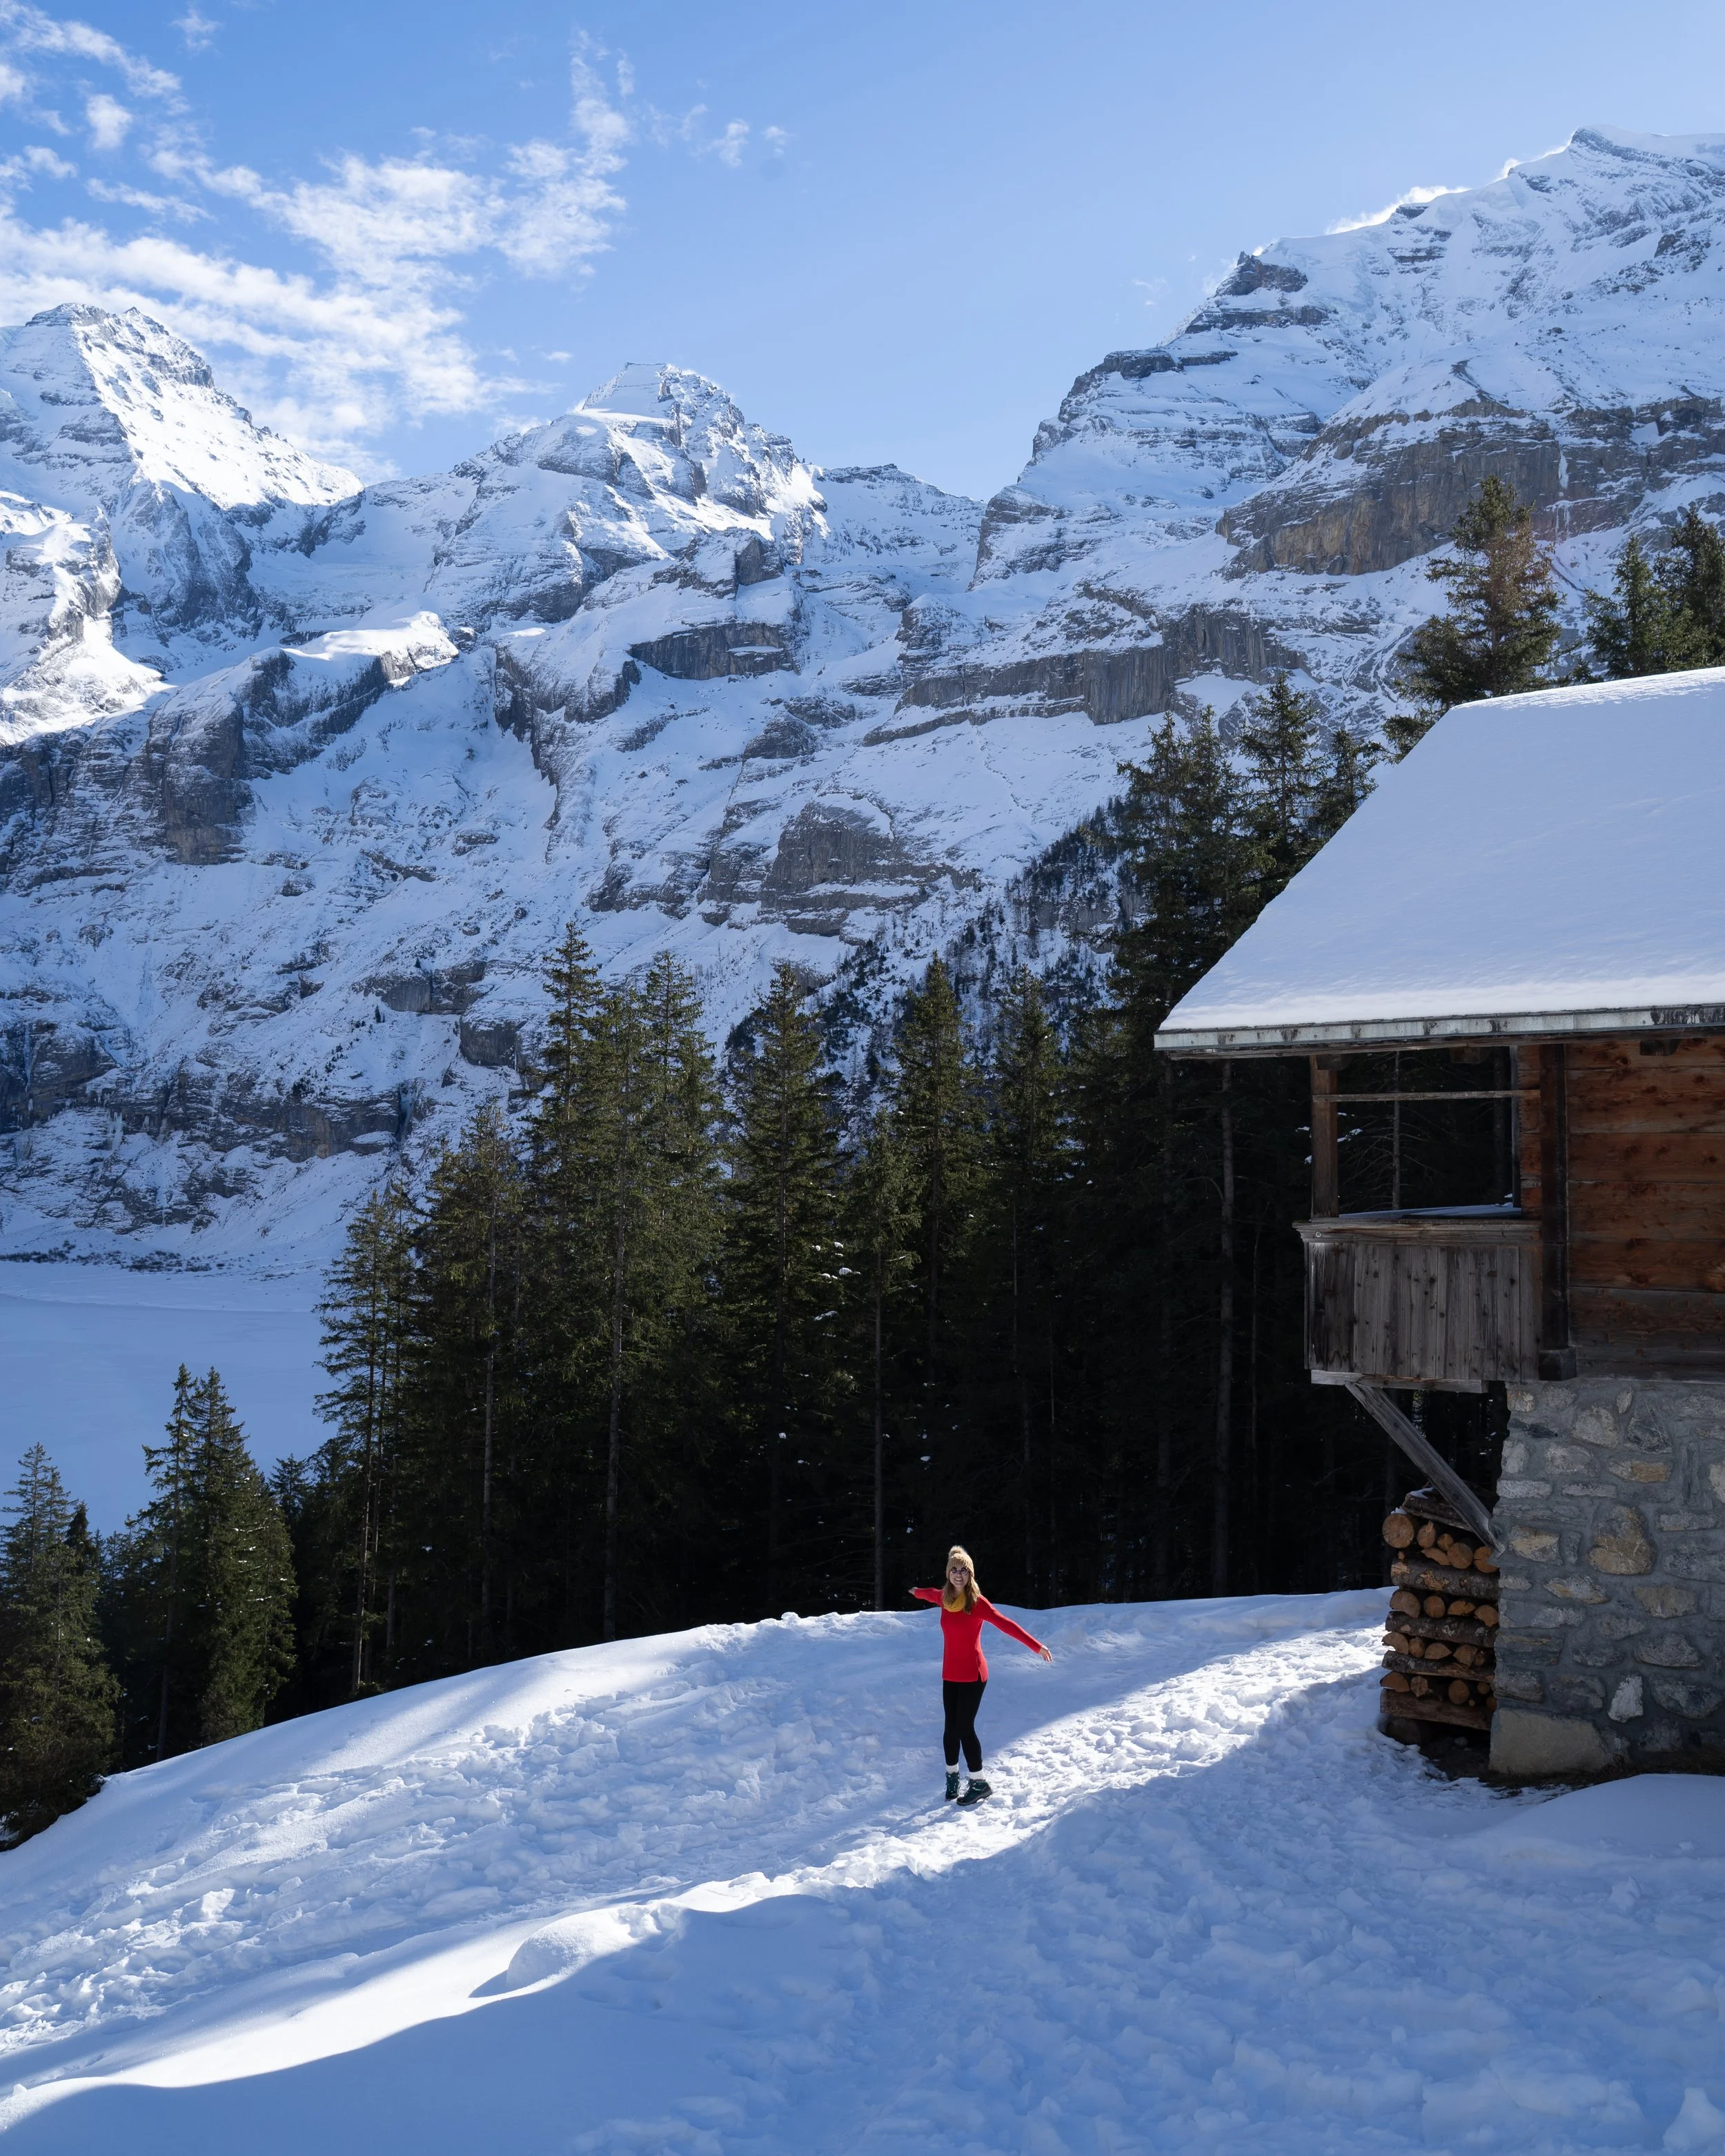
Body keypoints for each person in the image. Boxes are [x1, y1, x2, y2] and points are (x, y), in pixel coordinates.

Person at [911, 1544, 1052, 1805]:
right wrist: (914, 1591)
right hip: (950, 1674)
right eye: (954, 1570)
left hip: (974, 1675)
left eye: (964, 1570)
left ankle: (979, 1782)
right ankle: (952, 1779)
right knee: (949, 1729)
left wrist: (1036, 1646)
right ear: (948, 1573)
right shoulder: (944, 1598)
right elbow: (927, 1594)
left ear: (970, 1575)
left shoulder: (978, 1604)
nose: (959, 1574)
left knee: (964, 1727)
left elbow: (1007, 1625)